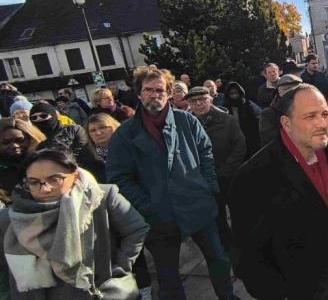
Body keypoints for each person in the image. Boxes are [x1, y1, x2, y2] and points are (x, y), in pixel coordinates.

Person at [106, 65, 237, 300]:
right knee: (168, 276)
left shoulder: (186, 120)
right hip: (158, 216)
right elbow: (119, 178)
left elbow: (206, 152)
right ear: (139, 93)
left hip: (198, 205)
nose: (154, 95)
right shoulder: (125, 134)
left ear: (168, 93)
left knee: (219, 259)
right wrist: (148, 206)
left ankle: (228, 296)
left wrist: (208, 186)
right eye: (148, 90)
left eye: (160, 90)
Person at [229, 84, 328, 300]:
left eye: (325, 114)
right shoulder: (253, 176)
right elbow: (249, 255)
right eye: (310, 117)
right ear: (286, 123)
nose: (322, 123)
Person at [0, 149, 149, 299]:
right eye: (33, 182)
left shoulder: (100, 198)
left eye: (54, 179)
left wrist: (119, 267)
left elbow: (136, 229)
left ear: (75, 175)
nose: (44, 189)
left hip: (94, 291)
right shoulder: (12, 217)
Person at [84, 113, 153, 299]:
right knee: (120, 253)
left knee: (141, 249)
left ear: (114, 127)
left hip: (135, 205)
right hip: (106, 213)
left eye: (102, 127)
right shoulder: (86, 159)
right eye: (92, 130)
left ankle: (146, 289)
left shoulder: (130, 147)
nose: (98, 133)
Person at [186, 86, 247, 262]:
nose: (198, 104)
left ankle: (243, 244)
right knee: (217, 217)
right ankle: (228, 249)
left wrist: (225, 171)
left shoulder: (227, 120)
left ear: (210, 100)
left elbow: (240, 146)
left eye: (202, 100)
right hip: (205, 179)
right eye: (194, 101)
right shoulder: (186, 124)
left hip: (229, 176)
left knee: (238, 212)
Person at [0, 118, 45, 194]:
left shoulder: (44, 160)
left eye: (20, 140)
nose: (14, 145)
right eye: (6, 142)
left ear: (31, 139)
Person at [259, 74, 303, 148]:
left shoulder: (309, 108)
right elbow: (270, 141)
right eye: (285, 89)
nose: (290, 93)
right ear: (278, 92)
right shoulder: (268, 114)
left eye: (294, 89)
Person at [223, 81, 261, 159]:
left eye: (236, 93)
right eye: (231, 94)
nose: (234, 96)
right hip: (234, 139)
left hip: (250, 137)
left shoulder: (248, 105)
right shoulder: (226, 107)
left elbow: (257, 119)